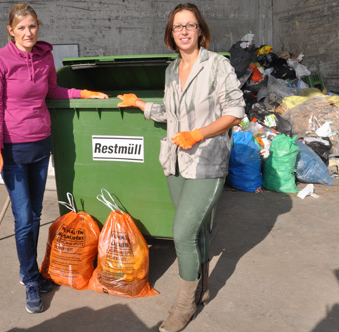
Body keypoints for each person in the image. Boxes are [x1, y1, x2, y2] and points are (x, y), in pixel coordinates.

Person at [117, 3, 245, 331]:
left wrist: (198, 133)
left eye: (190, 25)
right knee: (197, 230)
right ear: (171, 35)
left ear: (200, 30)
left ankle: (183, 306)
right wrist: (140, 104)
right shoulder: (171, 69)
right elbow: (171, 113)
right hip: (175, 161)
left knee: (182, 233)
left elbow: (235, 111)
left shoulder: (217, 65)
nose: (184, 31)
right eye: (178, 27)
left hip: (207, 160)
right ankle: (202, 288)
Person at [0, 3, 108, 314]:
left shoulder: (45, 57)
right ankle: (28, 278)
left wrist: (84, 94)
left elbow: (53, 91)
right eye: (22, 27)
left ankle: (34, 274)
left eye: (33, 26)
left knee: (36, 216)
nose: (28, 32)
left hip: (41, 146)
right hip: (13, 150)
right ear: (10, 31)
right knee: (24, 219)